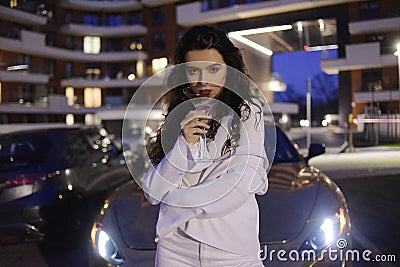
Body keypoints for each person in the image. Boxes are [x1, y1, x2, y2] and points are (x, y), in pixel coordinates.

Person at [142, 25, 269, 266]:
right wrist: (183, 143)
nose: (203, 81)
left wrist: (174, 207)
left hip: (232, 248)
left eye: (213, 69)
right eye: (192, 70)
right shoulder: (177, 118)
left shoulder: (246, 114)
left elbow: (236, 189)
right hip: (175, 250)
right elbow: (153, 191)